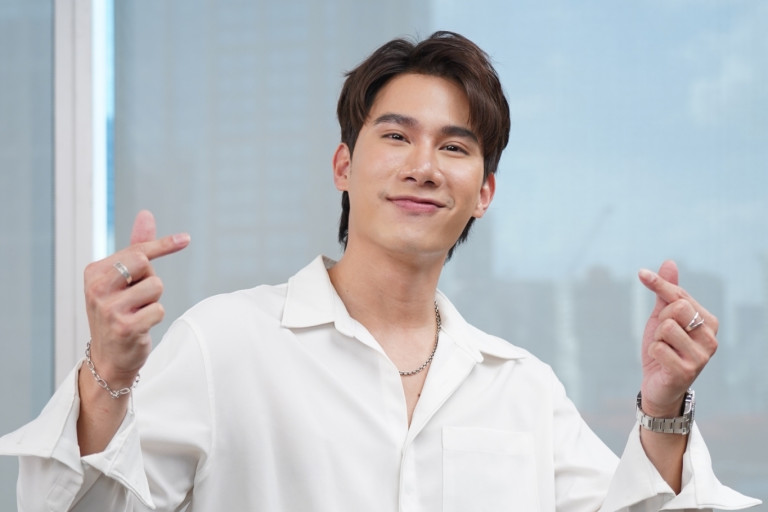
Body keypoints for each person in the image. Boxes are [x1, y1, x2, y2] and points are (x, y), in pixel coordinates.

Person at [0, 31, 761, 511]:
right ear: (344, 165)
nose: (423, 166)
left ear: (484, 194)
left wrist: (664, 407)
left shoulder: (522, 388)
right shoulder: (223, 344)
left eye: (455, 147)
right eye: (396, 136)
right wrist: (109, 371)